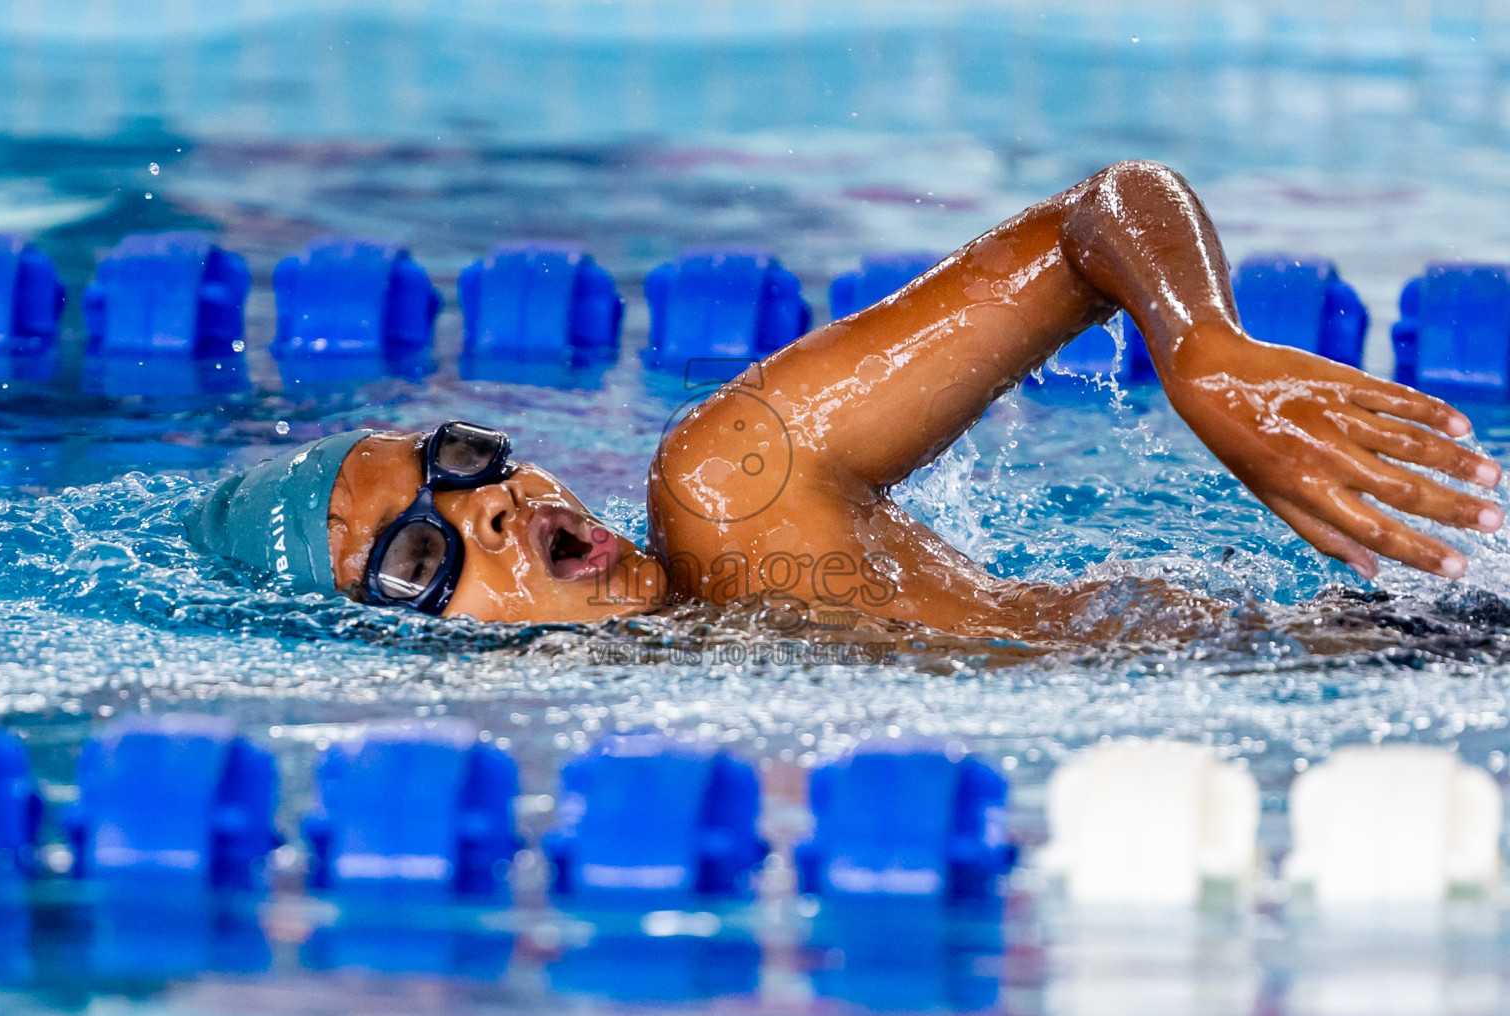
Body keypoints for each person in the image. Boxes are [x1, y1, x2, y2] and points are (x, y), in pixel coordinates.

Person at [186, 161, 1504, 642]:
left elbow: (1099, 216)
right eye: (424, 556)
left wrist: (1201, 346)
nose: (492, 513)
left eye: (469, 463)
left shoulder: (730, 501)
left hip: (1423, 637)